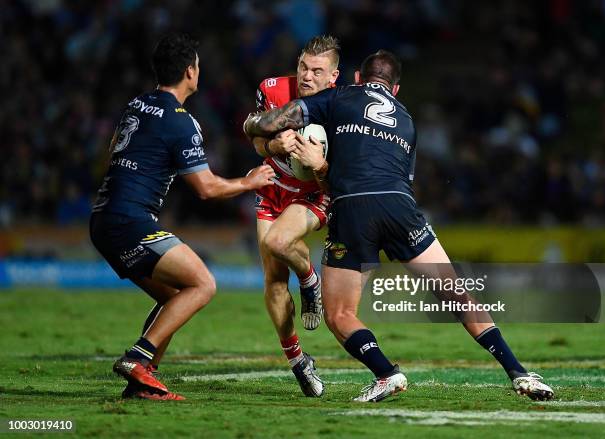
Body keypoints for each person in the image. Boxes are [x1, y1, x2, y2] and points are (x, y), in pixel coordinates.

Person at [243, 50, 554, 402]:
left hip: (352, 209)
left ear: (357, 79)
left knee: (341, 315)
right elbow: (399, 177)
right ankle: (518, 372)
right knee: (456, 295)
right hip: (401, 207)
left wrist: (255, 128)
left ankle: (386, 373)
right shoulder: (407, 120)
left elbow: (276, 123)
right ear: (397, 88)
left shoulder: (339, 96)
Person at [90, 33, 275, 401]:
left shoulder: (137, 104)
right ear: (190, 71)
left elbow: (114, 151)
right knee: (203, 284)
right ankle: (137, 358)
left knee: (175, 296)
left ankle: (142, 382)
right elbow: (206, 189)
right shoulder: (181, 121)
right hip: (131, 220)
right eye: (198, 66)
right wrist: (248, 181)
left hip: (104, 218)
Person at [245, 35, 340, 397]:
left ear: (333, 76)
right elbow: (255, 139)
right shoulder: (271, 89)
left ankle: (310, 278)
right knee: (272, 279)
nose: (307, 76)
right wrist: (273, 145)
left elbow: (340, 169)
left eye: (317, 71)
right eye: (303, 66)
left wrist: (318, 164)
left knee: (278, 241)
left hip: (315, 193)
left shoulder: (340, 105)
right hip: (273, 189)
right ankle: (298, 360)